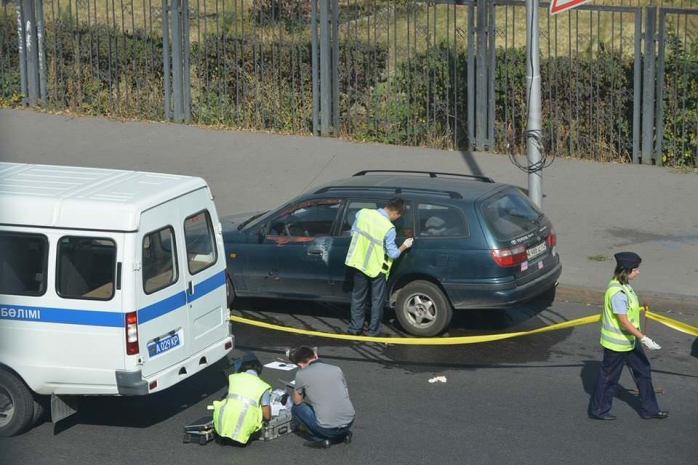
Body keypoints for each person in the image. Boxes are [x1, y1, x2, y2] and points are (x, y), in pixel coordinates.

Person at [589, 252, 668, 421]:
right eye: (635, 269)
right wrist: (644, 338)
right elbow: (624, 321)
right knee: (609, 378)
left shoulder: (623, 284)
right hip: (617, 344)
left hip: (629, 341)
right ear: (626, 271)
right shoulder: (618, 292)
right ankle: (599, 410)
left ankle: (650, 409)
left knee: (643, 370)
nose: (638, 272)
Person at [345, 197, 413, 336]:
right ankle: (373, 330)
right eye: (398, 217)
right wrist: (405, 245)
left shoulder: (362, 213)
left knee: (358, 297)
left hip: (358, 263)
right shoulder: (389, 228)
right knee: (377, 300)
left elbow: (353, 233)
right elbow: (393, 254)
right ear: (396, 213)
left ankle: (354, 328)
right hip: (376, 268)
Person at [289, 346, 355, 449]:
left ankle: (320, 439)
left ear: (300, 364)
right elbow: (346, 394)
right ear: (315, 355)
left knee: (297, 408)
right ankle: (344, 434)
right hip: (349, 421)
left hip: (327, 429)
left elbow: (297, 401)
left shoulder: (301, 374)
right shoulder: (336, 369)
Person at [212, 356, 272, 444]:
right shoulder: (263, 386)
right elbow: (266, 414)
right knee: (258, 408)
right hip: (243, 433)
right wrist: (268, 418)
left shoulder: (232, 377)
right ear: (259, 371)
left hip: (221, 426)